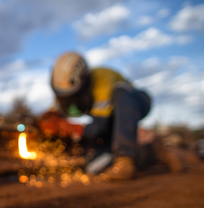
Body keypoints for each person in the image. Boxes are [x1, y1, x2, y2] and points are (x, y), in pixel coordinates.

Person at [49, 51, 151, 180]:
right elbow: (60, 110)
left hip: (136, 103)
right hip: (112, 124)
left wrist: (72, 129)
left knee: (121, 91)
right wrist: (49, 119)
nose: (69, 99)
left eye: (72, 95)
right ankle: (149, 153)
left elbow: (99, 125)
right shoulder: (65, 91)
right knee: (93, 167)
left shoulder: (103, 79)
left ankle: (126, 158)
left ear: (84, 80)